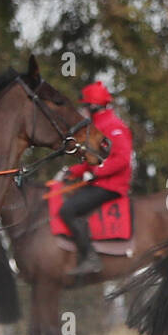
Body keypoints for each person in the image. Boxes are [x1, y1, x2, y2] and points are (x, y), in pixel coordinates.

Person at [59, 81, 132, 275]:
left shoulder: (114, 126)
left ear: (93, 106)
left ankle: (90, 258)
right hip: (100, 182)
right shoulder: (97, 125)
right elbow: (94, 158)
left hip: (111, 186)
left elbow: (122, 159)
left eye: (85, 105)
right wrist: (74, 171)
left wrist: (95, 172)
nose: (82, 109)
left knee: (68, 210)